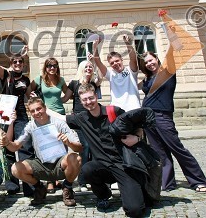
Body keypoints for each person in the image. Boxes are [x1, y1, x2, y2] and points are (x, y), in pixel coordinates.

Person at [63, 84, 152, 217]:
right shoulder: (81, 118)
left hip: (124, 165)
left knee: (135, 210)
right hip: (103, 166)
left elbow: (138, 124)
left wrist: (137, 137)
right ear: (81, 102)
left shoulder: (114, 111)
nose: (89, 102)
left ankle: (133, 190)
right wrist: (42, 109)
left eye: (91, 98)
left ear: (96, 96)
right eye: (85, 100)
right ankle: (104, 195)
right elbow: (59, 118)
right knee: (87, 170)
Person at [140, 48, 206, 193]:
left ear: (157, 59)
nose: (149, 64)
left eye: (151, 60)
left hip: (162, 116)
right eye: (146, 62)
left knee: (177, 149)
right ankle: (167, 183)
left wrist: (171, 35)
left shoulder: (168, 73)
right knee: (160, 153)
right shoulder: (147, 78)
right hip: (147, 118)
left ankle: (198, 181)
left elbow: (172, 54)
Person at [2, 97, 81, 206]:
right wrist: (7, 143)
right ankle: (39, 188)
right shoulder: (30, 126)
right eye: (32, 111)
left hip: (60, 164)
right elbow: (15, 146)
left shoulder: (59, 123)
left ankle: (67, 188)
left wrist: (68, 142)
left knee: (75, 158)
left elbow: (78, 148)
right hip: (41, 165)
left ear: (45, 108)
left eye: (39, 109)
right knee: (15, 168)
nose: (36, 113)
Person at [0, 44, 34, 196]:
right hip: (5, 115)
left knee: (25, 147)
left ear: (23, 64)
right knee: (7, 149)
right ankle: (12, 185)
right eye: (15, 62)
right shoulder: (6, 75)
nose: (18, 64)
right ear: (11, 64)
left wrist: (34, 97)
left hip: (21, 115)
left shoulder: (25, 79)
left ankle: (29, 184)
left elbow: (29, 95)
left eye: (20, 62)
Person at [62, 59, 102, 191]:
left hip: (93, 119)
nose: (88, 69)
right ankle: (82, 180)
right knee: (84, 147)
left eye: (90, 67)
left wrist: (96, 52)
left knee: (93, 147)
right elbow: (65, 98)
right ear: (81, 69)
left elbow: (100, 76)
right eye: (86, 67)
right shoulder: (74, 83)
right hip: (79, 120)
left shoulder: (93, 84)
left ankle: (93, 177)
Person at [30, 57, 68, 192]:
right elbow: (29, 91)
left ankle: (60, 178)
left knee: (61, 145)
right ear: (45, 67)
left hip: (60, 115)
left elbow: (68, 92)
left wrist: (61, 100)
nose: (52, 68)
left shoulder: (61, 80)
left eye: (54, 66)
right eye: (49, 66)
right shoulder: (39, 79)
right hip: (45, 115)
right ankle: (50, 181)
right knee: (48, 147)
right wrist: (35, 99)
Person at [91, 35, 141, 111]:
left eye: (117, 61)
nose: (115, 64)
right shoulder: (110, 74)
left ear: (121, 59)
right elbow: (98, 62)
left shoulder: (130, 70)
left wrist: (128, 44)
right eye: (112, 63)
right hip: (117, 111)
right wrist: (95, 47)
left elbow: (133, 58)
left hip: (134, 108)